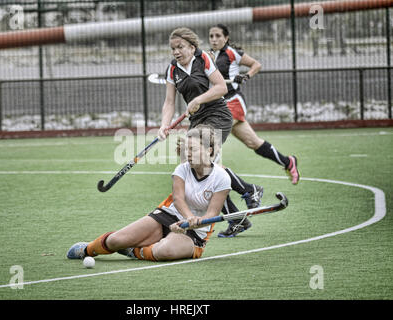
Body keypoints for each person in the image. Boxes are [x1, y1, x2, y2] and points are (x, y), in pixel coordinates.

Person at [67, 125, 231, 261]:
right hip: (169, 216)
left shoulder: (221, 178)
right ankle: (87, 249)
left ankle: (134, 251)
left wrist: (194, 222)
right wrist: (188, 217)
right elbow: (178, 199)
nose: (187, 153)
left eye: (192, 149)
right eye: (186, 149)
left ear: (209, 150)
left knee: (164, 251)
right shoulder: (182, 169)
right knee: (116, 240)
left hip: (195, 232)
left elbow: (211, 214)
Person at [157, 27, 263, 238]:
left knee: (206, 163)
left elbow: (221, 87)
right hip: (197, 120)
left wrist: (198, 100)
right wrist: (164, 125)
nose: (176, 52)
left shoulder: (203, 58)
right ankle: (237, 218)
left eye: (180, 47)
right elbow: (169, 102)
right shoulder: (173, 69)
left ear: (192, 47)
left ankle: (249, 191)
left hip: (217, 114)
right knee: (202, 168)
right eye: (173, 49)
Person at [209, 24, 299, 186]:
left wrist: (245, 76)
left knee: (211, 141)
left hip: (233, 102)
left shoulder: (231, 53)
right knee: (253, 142)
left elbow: (256, 65)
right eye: (211, 36)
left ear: (226, 38)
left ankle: (241, 189)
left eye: (218, 36)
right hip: (220, 104)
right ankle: (288, 162)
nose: (214, 39)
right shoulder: (209, 56)